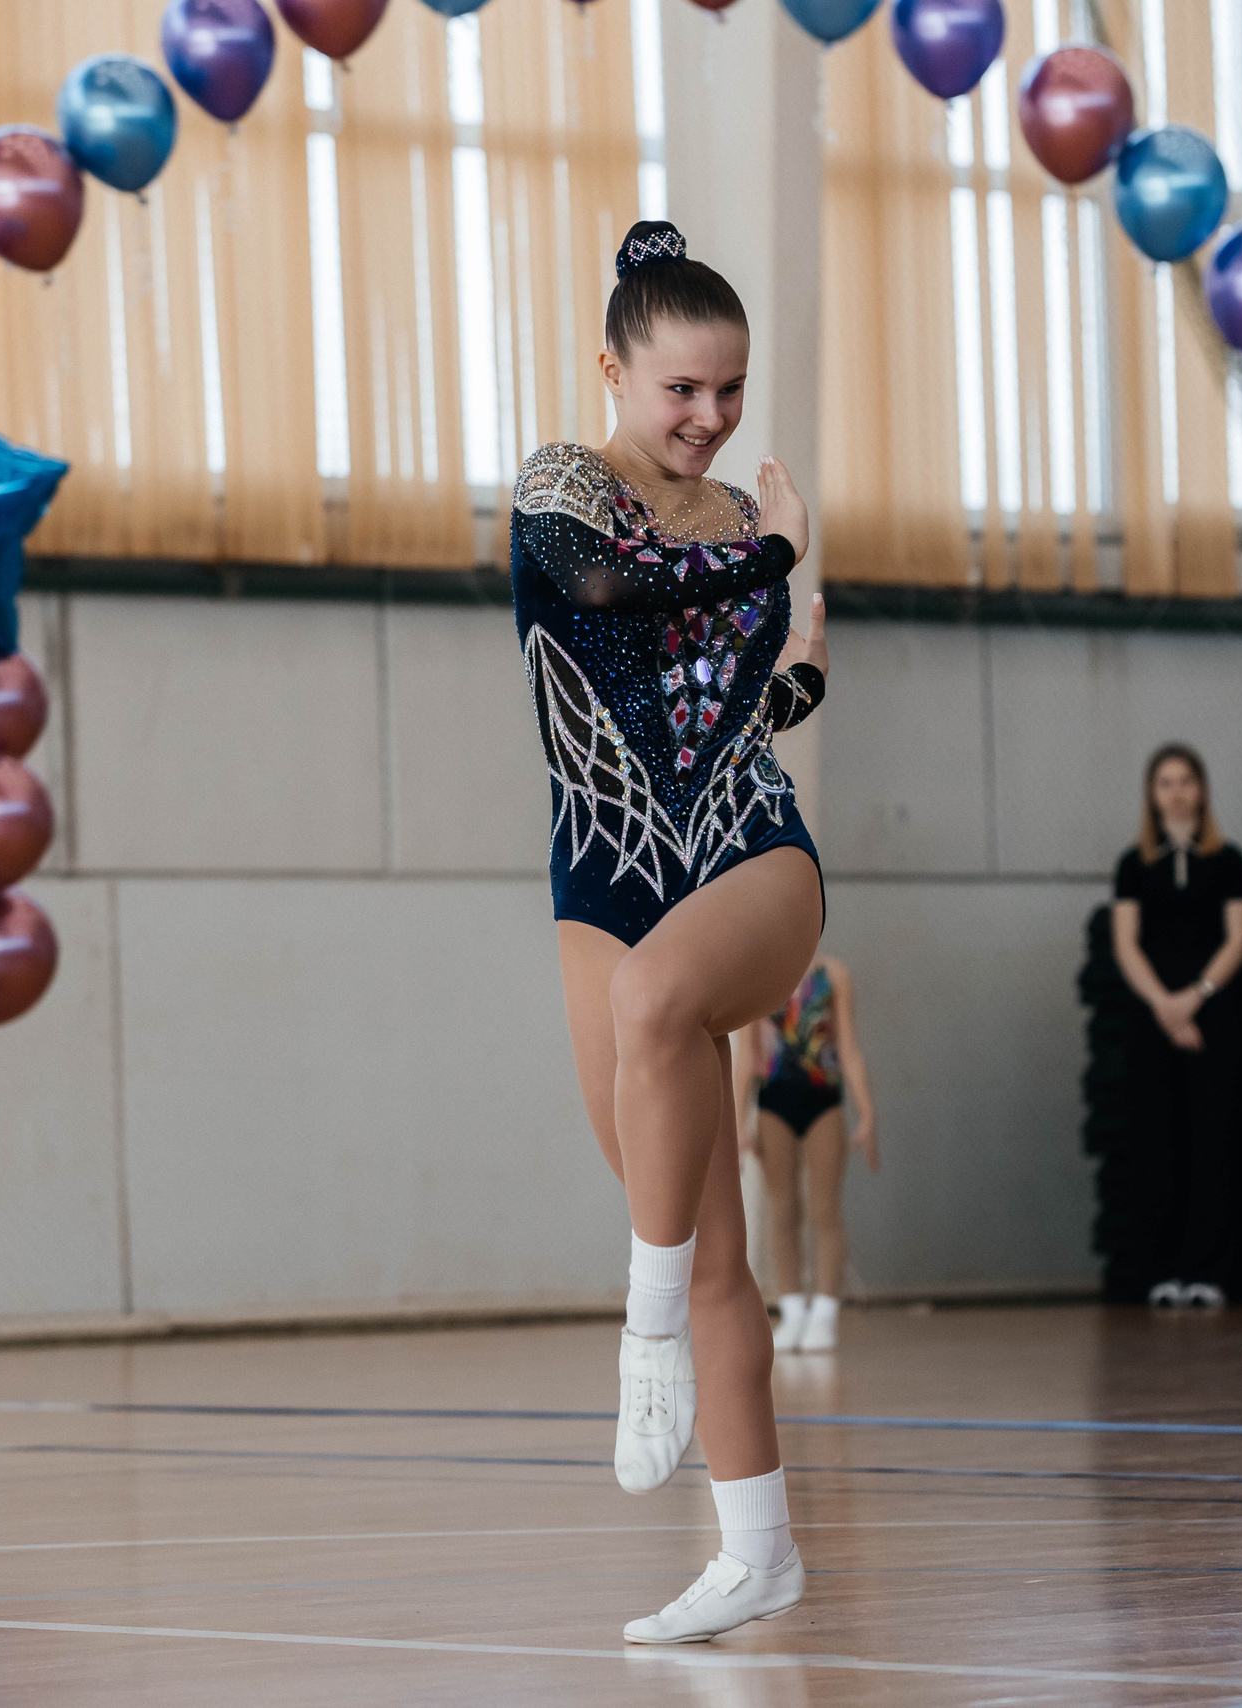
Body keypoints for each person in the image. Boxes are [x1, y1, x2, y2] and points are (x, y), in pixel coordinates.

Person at [512, 220, 829, 1644]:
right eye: (681, 389)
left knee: (654, 1002)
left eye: (731, 389)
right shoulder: (563, 484)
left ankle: (640, 1347)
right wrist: (775, 561)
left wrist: (798, 673)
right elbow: (600, 594)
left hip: (749, 853)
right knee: (702, 1244)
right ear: (613, 373)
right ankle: (757, 1552)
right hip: (604, 871)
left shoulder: (740, 521)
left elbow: (733, 710)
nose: (710, 416)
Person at [1110, 744, 1242, 1308]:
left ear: (1202, 789)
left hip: (1213, 1015)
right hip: (1153, 1017)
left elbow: (1237, 939)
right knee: (1157, 1142)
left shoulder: (1230, 861)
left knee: (1212, 1142)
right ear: (1152, 793)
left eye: (1186, 781)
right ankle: (1161, 1270)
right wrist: (1164, 1006)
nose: (1176, 792)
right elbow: (1126, 945)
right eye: (1165, 782)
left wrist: (1196, 997)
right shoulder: (1133, 864)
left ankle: (1208, 1271)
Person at [734, 956, 878, 1352]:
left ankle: (825, 1312)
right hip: (774, 1102)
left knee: (824, 1209)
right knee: (783, 1210)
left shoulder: (833, 976)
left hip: (823, 1100)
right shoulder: (757, 973)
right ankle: (793, 1310)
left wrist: (867, 1112)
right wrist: (739, 1121)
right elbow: (746, 1054)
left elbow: (848, 1046)